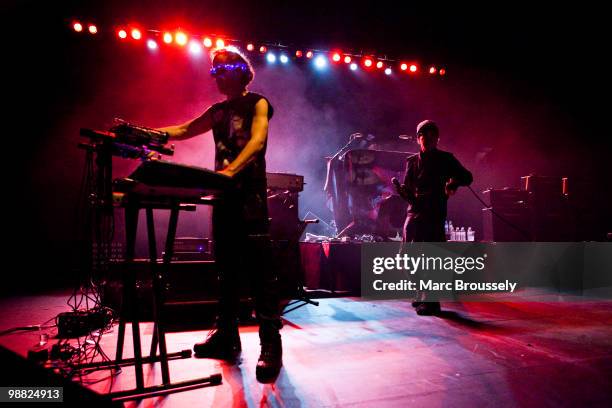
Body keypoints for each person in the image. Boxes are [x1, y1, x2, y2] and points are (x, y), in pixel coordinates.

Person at [156, 47, 282, 383]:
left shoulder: (257, 103)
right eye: (213, 70)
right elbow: (184, 130)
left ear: (241, 70)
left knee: (259, 273)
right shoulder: (217, 111)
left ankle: (271, 344)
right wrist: (149, 135)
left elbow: (256, 143)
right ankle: (227, 337)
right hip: (224, 199)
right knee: (225, 270)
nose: (217, 75)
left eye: (223, 68)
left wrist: (231, 172)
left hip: (250, 199)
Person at [393, 120, 473, 315]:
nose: (428, 139)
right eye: (424, 135)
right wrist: (402, 192)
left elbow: (468, 177)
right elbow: (408, 189)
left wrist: (453, 182)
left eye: (432, 136)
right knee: (406, 257)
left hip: (434, 212)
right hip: (414, 212)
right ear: (418, 139)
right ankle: (421, 293)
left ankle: (432, 301)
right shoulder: (411, 162)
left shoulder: (446, 159)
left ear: (437, 138)